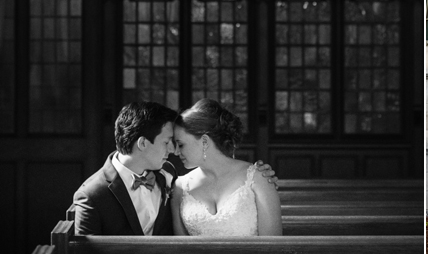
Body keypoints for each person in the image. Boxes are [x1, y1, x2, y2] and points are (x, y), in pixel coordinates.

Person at [73, 100, 279, 235]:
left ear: (204, 141)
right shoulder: (92, 194)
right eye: (168, 142)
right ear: (143, 144)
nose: (173, 150)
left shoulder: (167, 175)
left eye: (179, 144)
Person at [171, 99, 282, 236]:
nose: (175, 152)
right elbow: (180, 249)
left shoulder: (259, 179)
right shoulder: (180, 187)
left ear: (205, 141)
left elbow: (272, 246)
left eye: (180, 145)